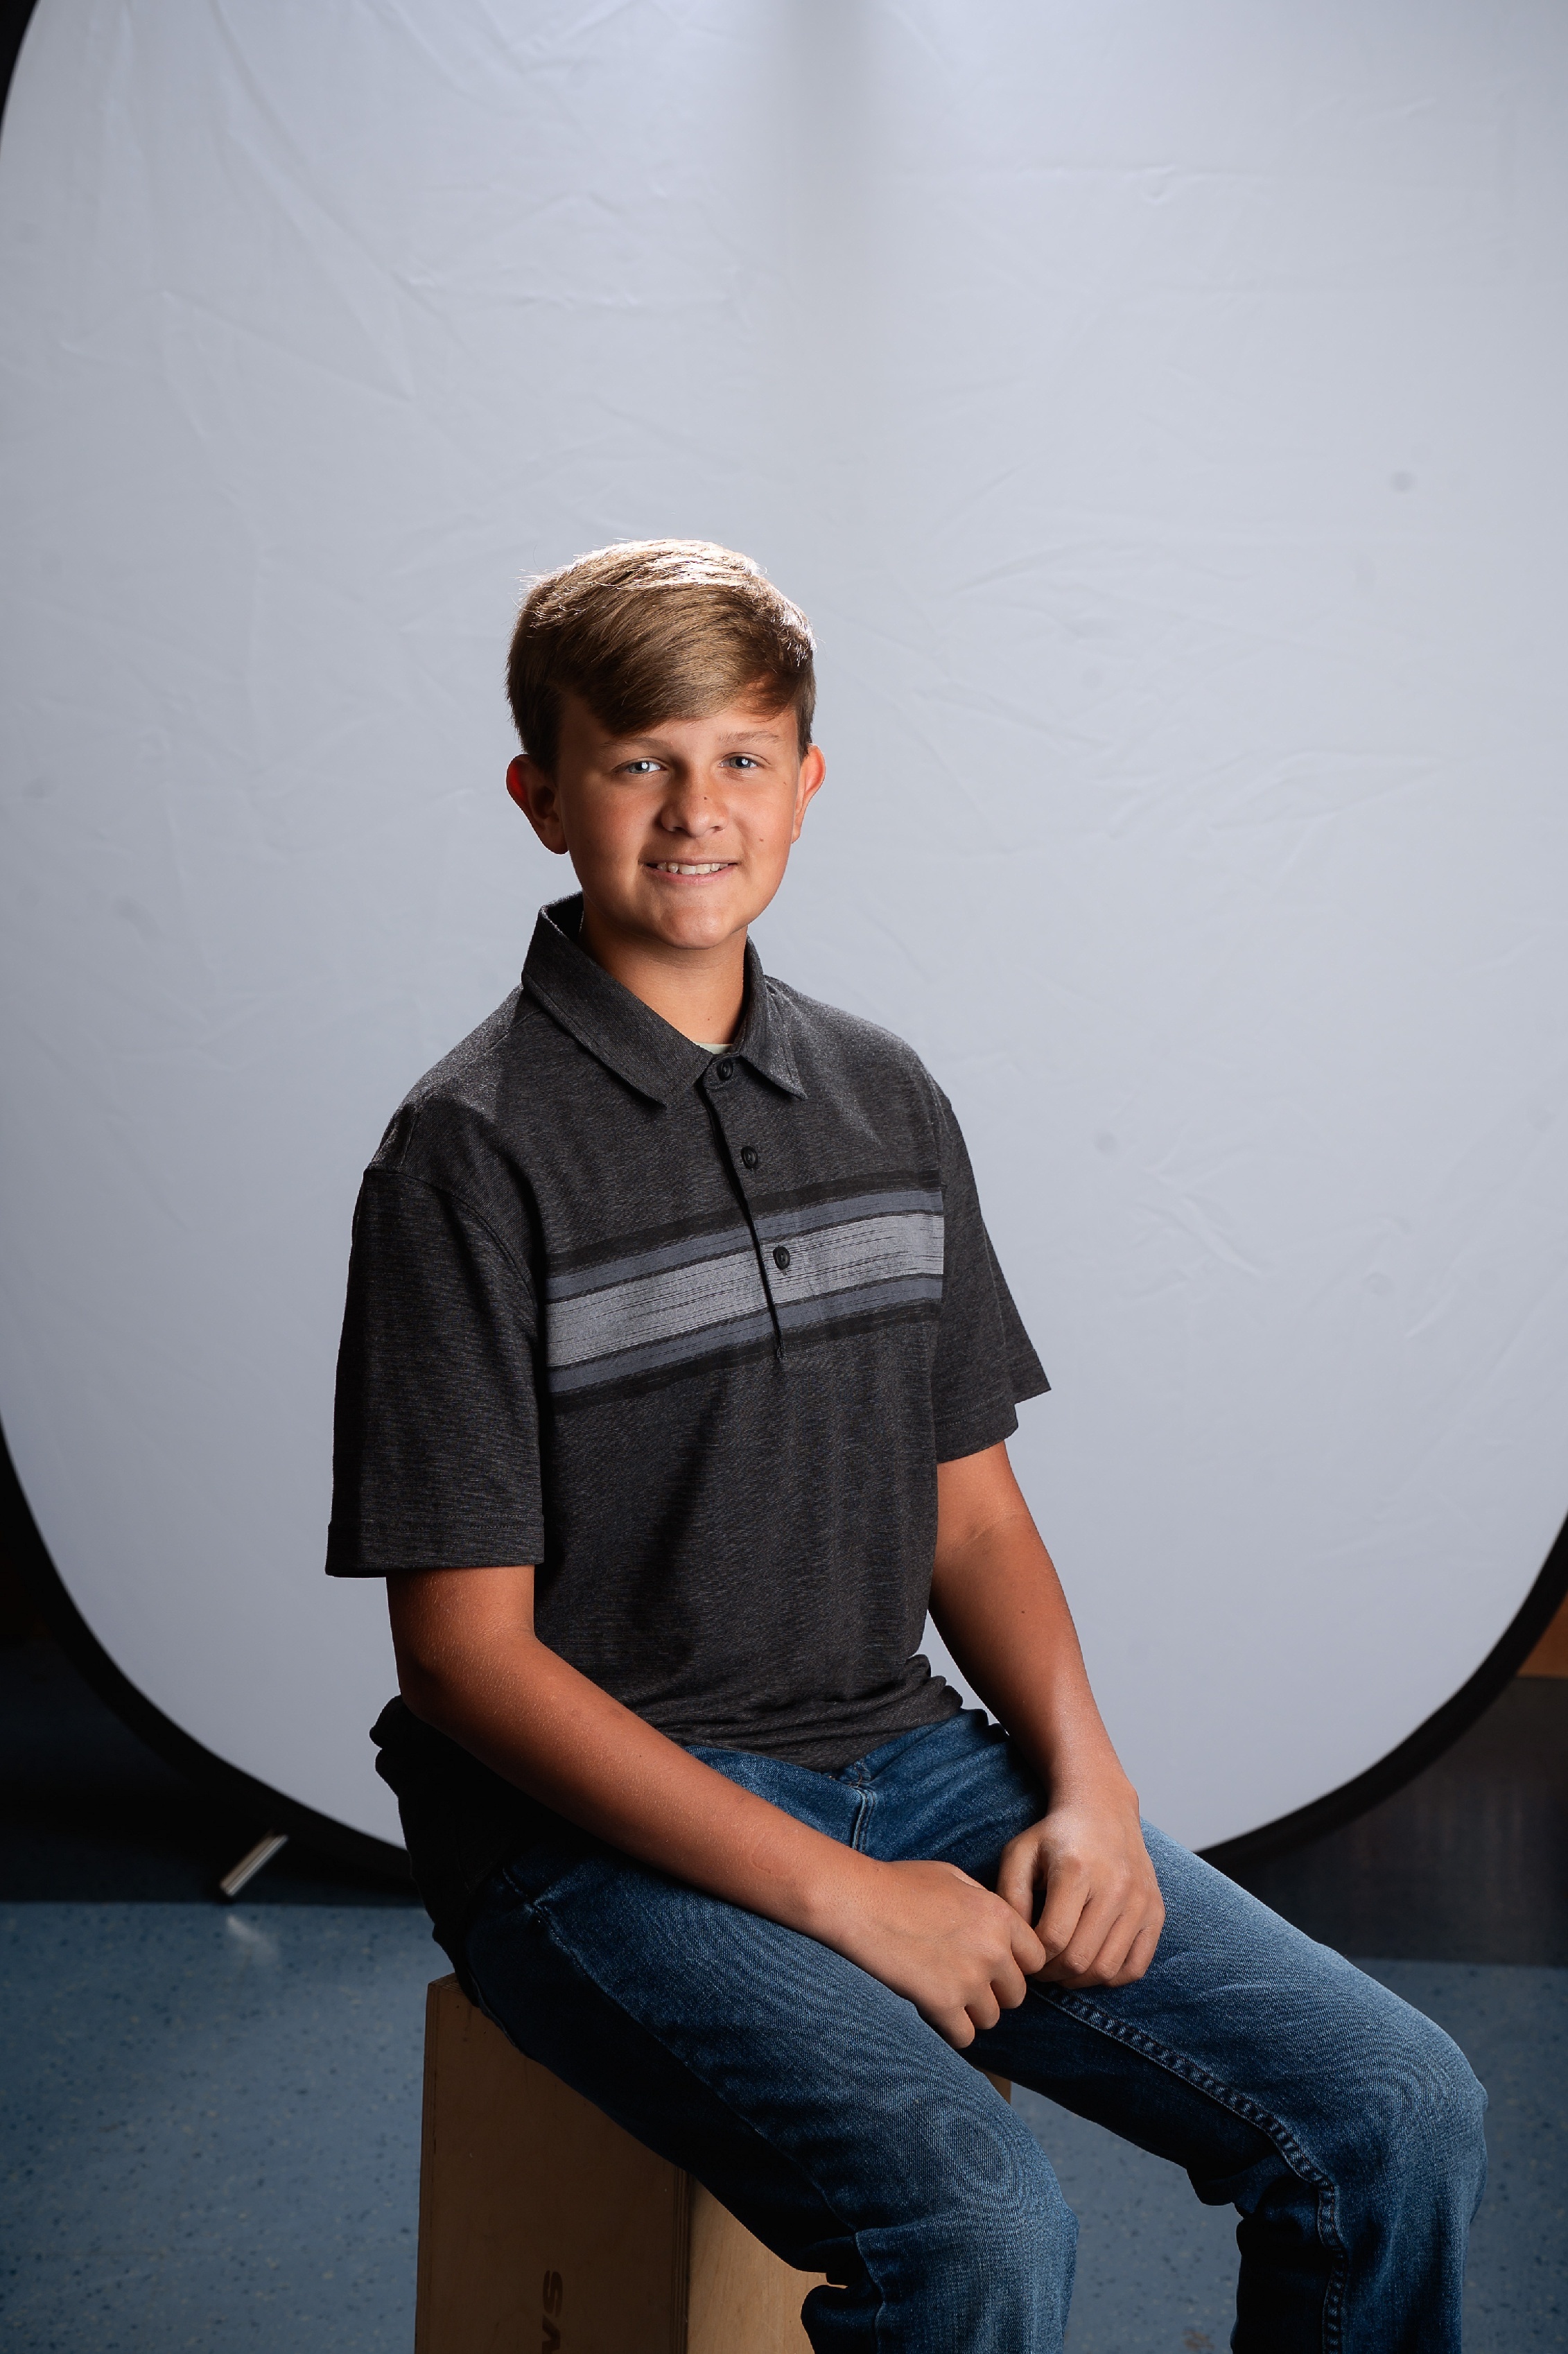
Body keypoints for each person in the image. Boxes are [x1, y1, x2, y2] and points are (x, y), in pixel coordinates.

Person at [326, 539, 1485, 2351]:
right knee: (978, 2225)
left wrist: (1088, 1789)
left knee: (1399, 2105)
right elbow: (465, 1659)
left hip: (906, 1758)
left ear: (807, 780)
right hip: (580, 1840)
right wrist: (852, 1902)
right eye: (638, 762)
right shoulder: (466, 1153)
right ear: (542, 797)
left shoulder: (884, 1094)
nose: (697, 808)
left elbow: (974, 1517)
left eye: (742, 755)